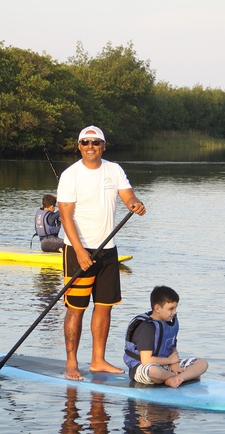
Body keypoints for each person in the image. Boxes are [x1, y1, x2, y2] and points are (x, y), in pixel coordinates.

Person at [57, 125, 146, 380]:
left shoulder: (113, 169)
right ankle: (71, 363)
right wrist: (80, 251)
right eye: (85, 142)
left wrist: (135, 205)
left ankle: (97, 360)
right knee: (76, 309)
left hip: (108, 250)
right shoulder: (70, 175)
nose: (90, 146)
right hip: (78, 250)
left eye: (95, 142)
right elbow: (65, 215)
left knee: (104, 307)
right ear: (79, 146)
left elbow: (127, 195)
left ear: (103, 146)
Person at [123, 286, 208, 388]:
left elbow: (171, 346)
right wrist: (170, 361)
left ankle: (175, 378)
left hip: (166, 365)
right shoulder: (147, 327)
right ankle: (177, 377)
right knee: (155, 372)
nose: (175, 312)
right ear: (157, 308)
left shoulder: (169, 322)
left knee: (202, 363)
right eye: (171, 309)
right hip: (143, 367)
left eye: (176, 308)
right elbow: (146, 360)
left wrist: (174, 364)